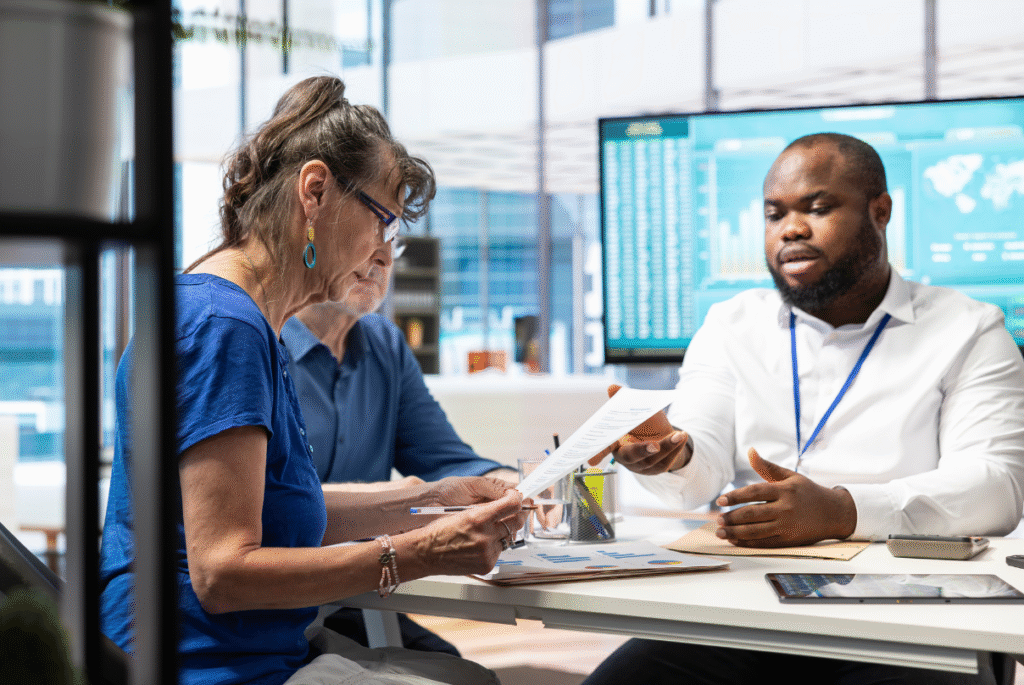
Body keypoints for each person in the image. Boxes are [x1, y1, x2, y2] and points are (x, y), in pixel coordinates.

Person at [98, 75, 528, 685]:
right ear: (316, 190)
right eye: (382, 220)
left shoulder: (232, 313)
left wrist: (440, 499)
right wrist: (420, 553)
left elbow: (279, 513)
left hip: (235, 651)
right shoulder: (225, 325)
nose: (381, 249)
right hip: (205, 666)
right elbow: (223, 573)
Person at [583, 132, 1024, 685]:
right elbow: (702, 463)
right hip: (739, 609)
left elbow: (995, 486)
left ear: (879, 212)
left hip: (909, 618)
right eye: (774, 214)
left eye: (818, 208)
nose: (790, 228)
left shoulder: (968, 328)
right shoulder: (729, 325)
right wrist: (671, 456)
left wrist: (841, 511)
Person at [280, 250, 516, 655]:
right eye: (371, 232)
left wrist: (512, 483)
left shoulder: (384, 342)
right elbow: (271, 503)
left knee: (450, 664)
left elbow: (441, 456)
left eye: (394, 241)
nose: (382, 258)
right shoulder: (262, 344)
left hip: (359, 592)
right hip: (280, 598)